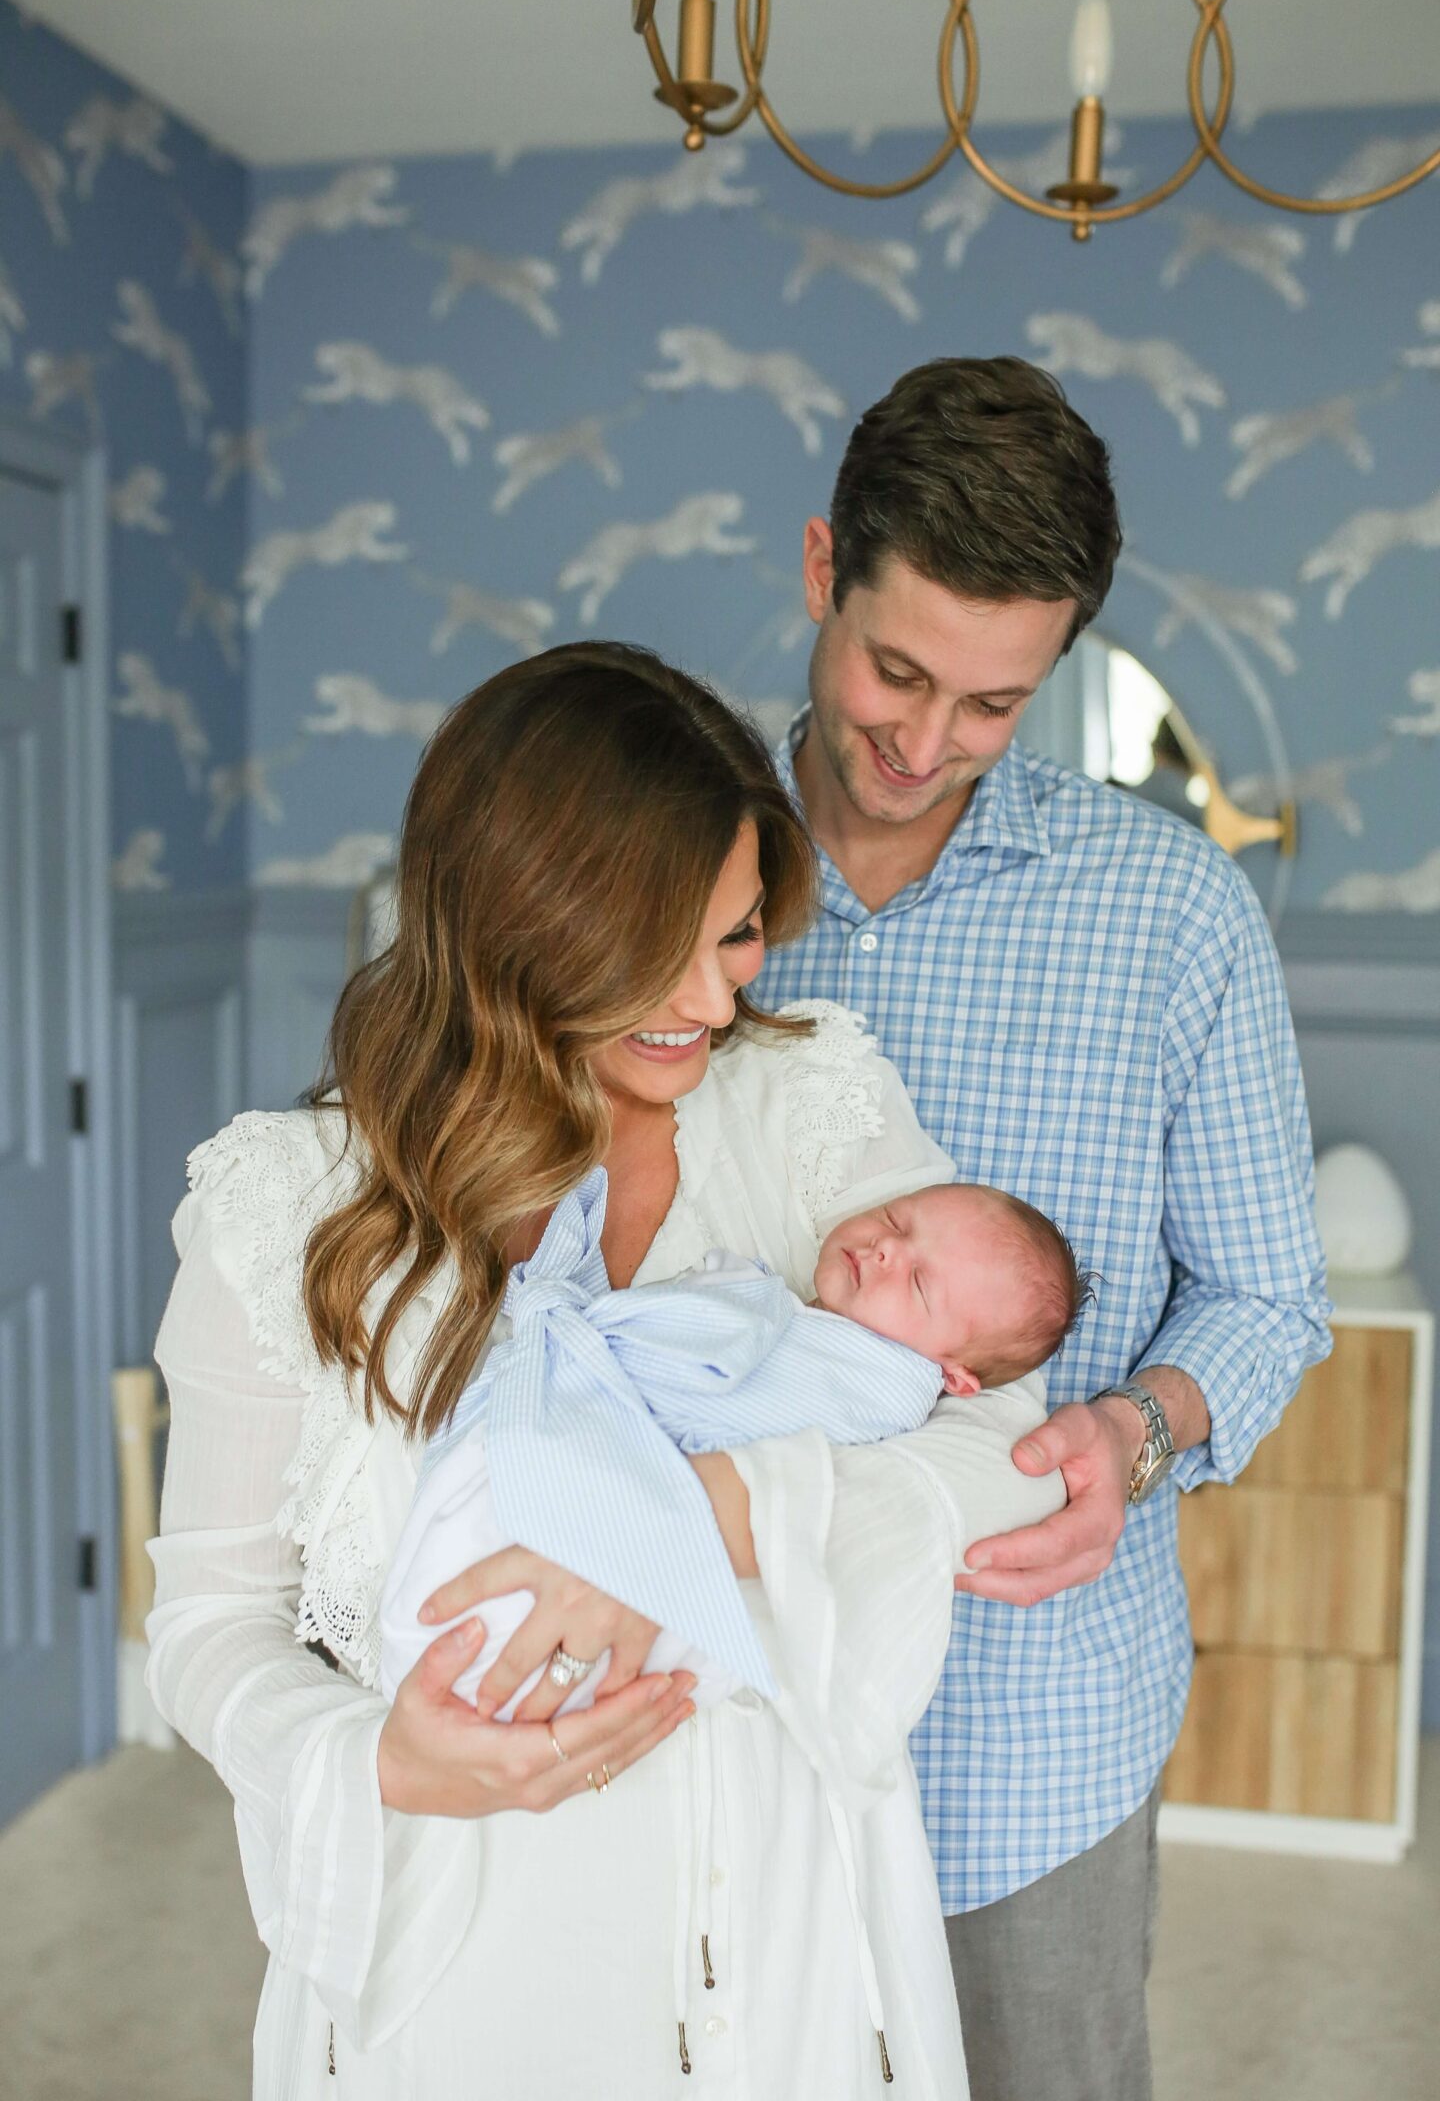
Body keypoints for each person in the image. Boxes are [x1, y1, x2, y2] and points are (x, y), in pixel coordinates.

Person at [146, 641, 1064, 2101]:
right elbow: (204, 1625)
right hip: (472, 1963)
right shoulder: (288, 1211)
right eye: (665, 948)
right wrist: (380, 1761)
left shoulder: (811, 1101)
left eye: (744, 934)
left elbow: (997, 1433)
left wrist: (694, 1517)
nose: (713, 1001)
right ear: (524, 919)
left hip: (781, 1936)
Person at [754, 355, 1333, 2101]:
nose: (924, 746)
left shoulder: (1174, 913)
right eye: (896, 670)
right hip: (721, 1711)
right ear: (820, 573)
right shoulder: (663, 858)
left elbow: (1269, 1301)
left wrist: (1132, 1431)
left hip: (1030, 1745)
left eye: (993, 706)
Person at [380, 1172, 1091, 1715]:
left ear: (954, 1378)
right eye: (899, 1220)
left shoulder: (879, 1383)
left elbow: (714, 1405)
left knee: (488, 1585)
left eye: (917, 1282)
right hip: (590, 1481)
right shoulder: (792, 1315)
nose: (884, 1248)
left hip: (639, 1537)